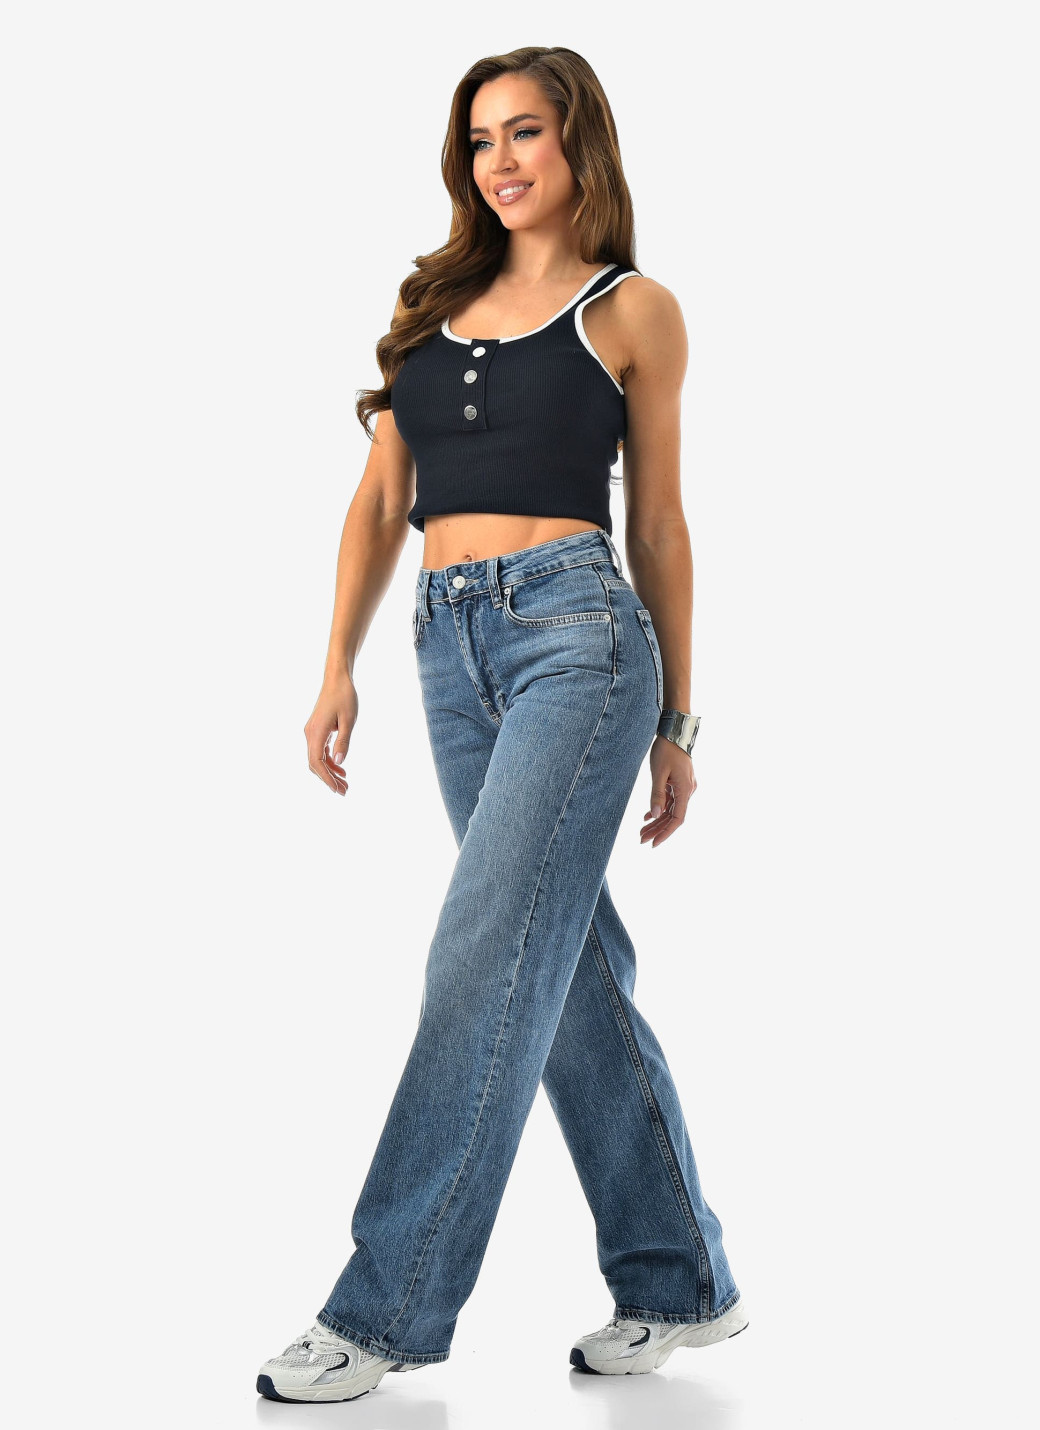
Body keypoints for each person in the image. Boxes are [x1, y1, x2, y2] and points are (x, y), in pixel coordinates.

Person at [256, 44, 747, 1406]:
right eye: (481, 140)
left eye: (526, 131)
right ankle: (679, 1278)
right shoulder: (429, 305)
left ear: (581, 140)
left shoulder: (631, 309)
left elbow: (660, 523)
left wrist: (681, 719)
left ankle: (384, 1308)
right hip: (444, 645)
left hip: (579, 641)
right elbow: (378, 502)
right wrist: (335, 665)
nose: (501, 161)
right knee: (561, 961)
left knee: (483, 955)